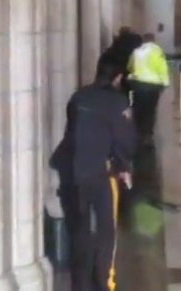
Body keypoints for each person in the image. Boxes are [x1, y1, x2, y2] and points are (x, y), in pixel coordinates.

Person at [49, 58, 136, 291]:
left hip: (72, 172)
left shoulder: (79, 97)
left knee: (80, 229)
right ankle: (104, 281)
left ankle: (80, 284)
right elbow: (124, 139)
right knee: (107, 229)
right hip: (101, 172)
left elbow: (72, 131)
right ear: (118, 78)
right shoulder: (117, 102)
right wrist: (124, 167)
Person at [128, 33, 170, 144]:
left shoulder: (136, 51)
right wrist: (165, 83)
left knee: (138, 108)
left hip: (138, 85)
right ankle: (148, 133)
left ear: (143, 40)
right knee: (150, 110)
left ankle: (138, 131)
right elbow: (162, 68)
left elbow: (130, 66)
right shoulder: (157, 51)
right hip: (153, 86)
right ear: (153, 40)